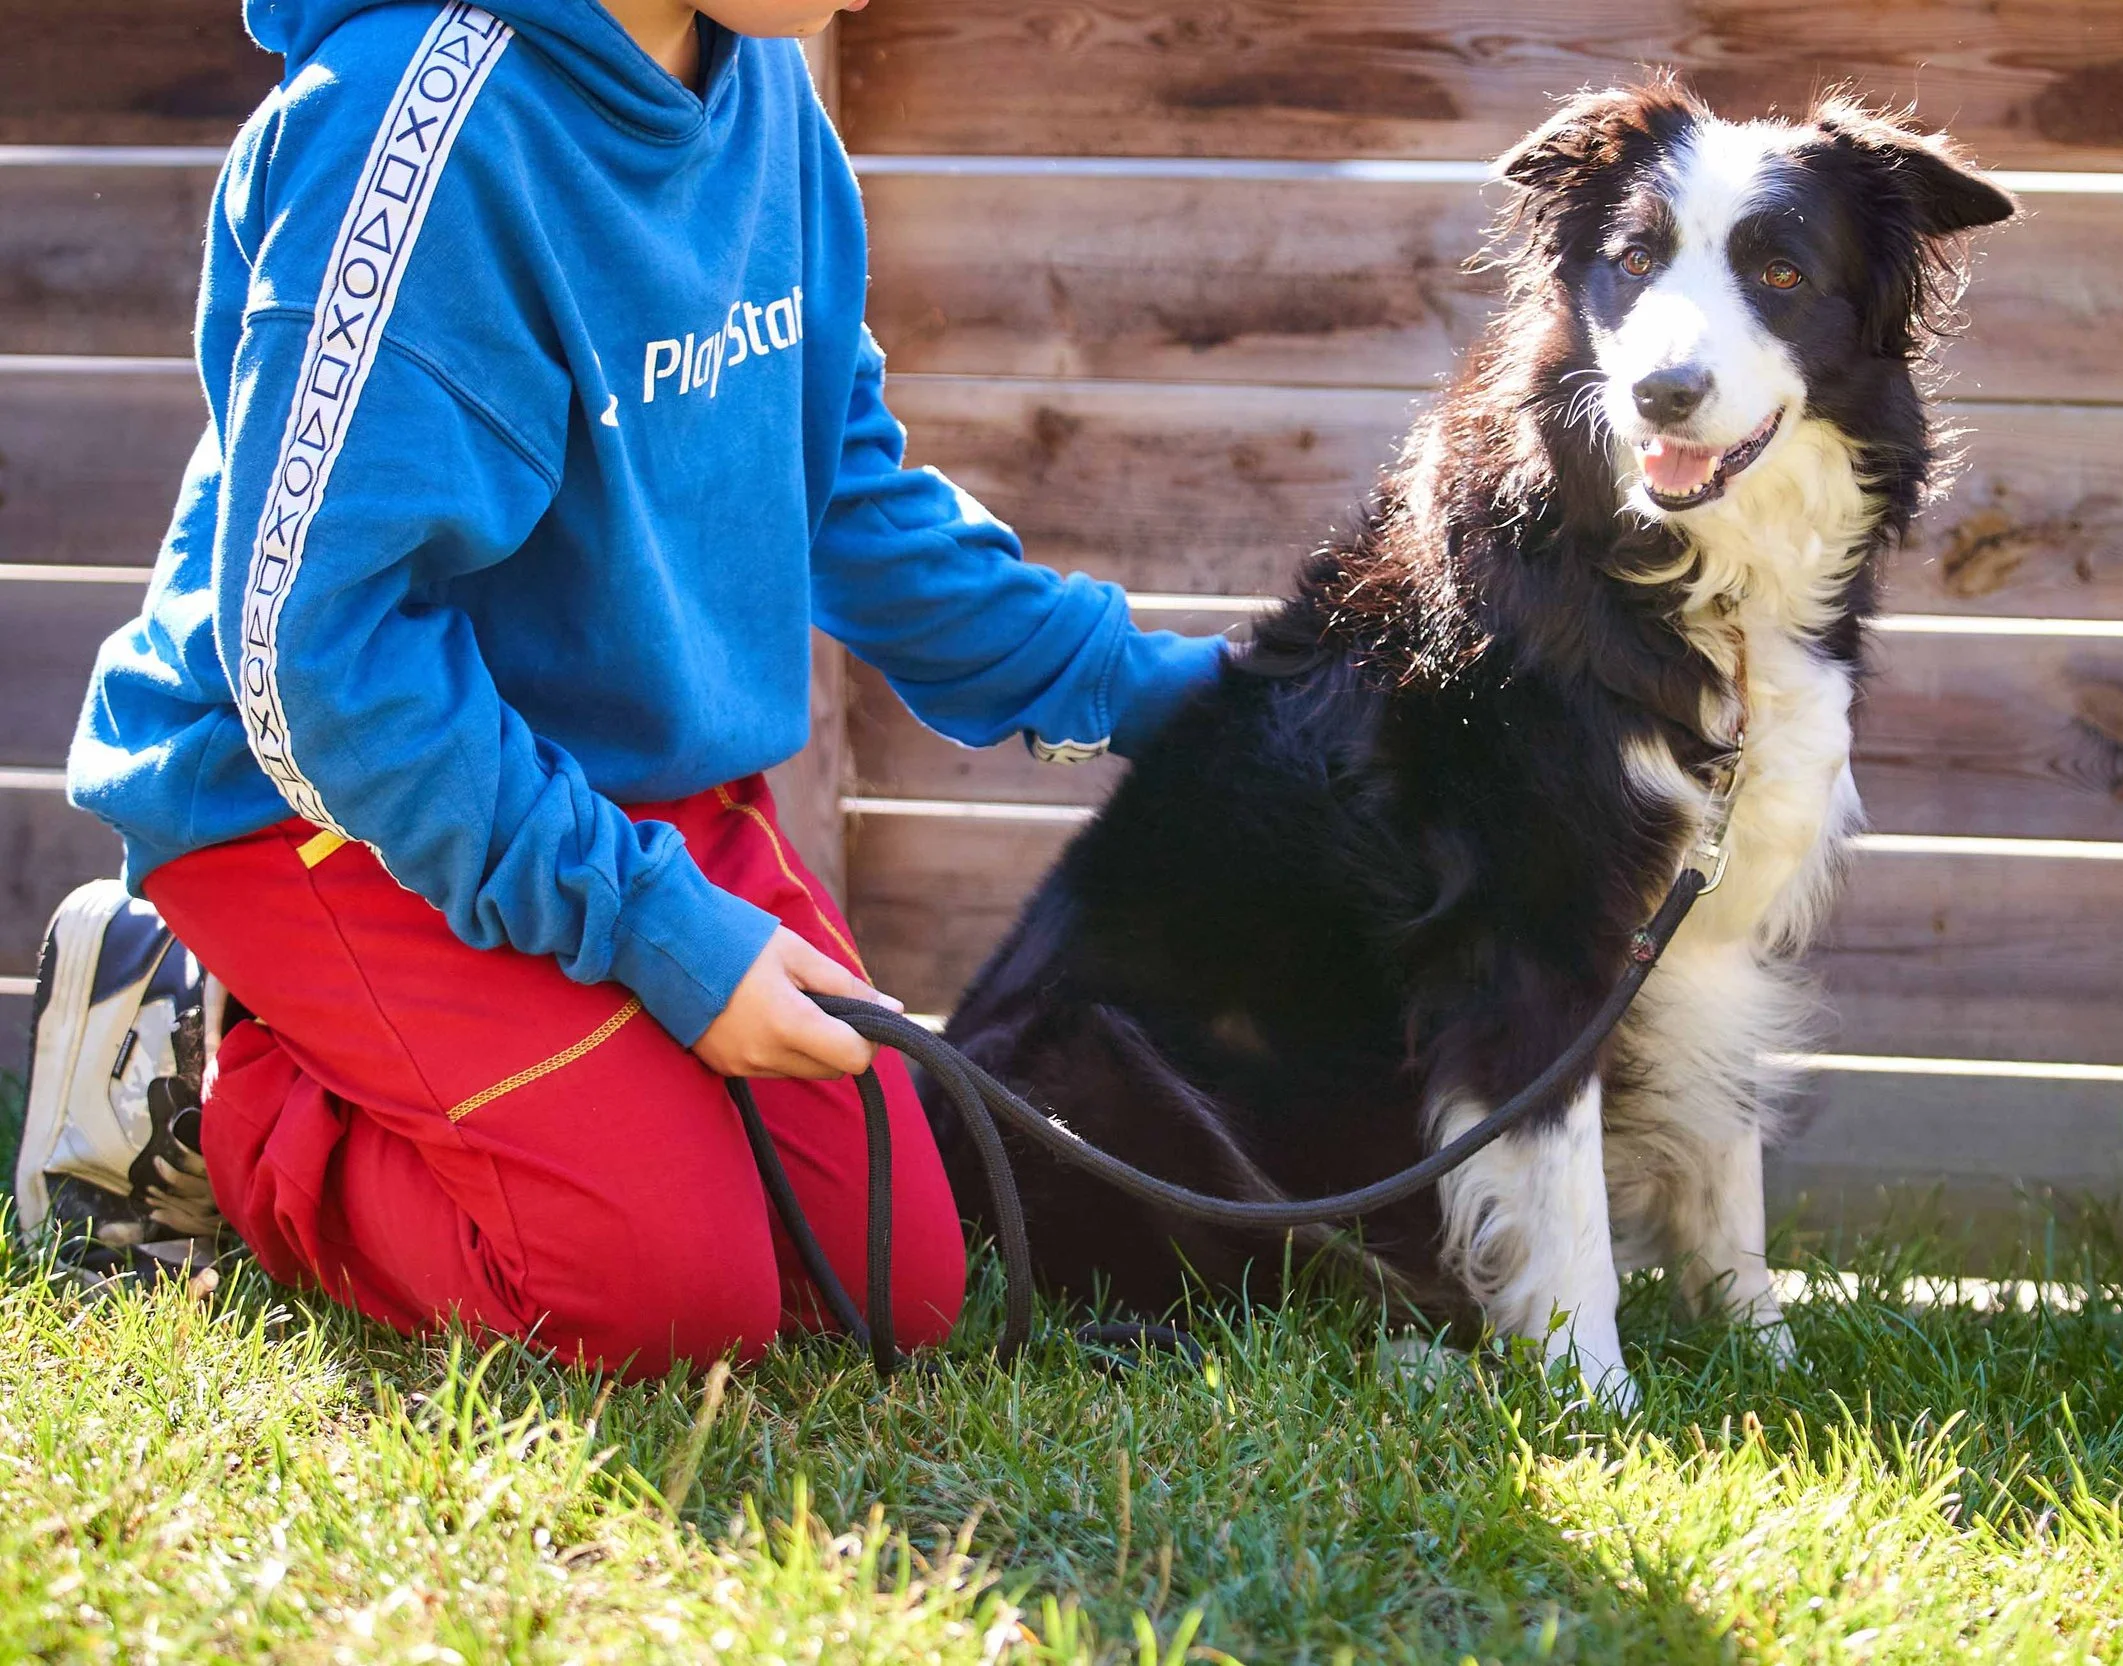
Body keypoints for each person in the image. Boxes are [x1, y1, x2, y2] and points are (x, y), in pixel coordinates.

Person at [14, 0, 1222, 1374]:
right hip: (328, 798)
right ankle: (202, 1074)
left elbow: (838, 488)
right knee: (661, 1296)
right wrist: (662, 937)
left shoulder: (761, 89)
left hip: (619, 791)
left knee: (893, 1275)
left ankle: (527, 1082)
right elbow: (319, 657)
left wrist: (1175, 700)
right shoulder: (410, 126)